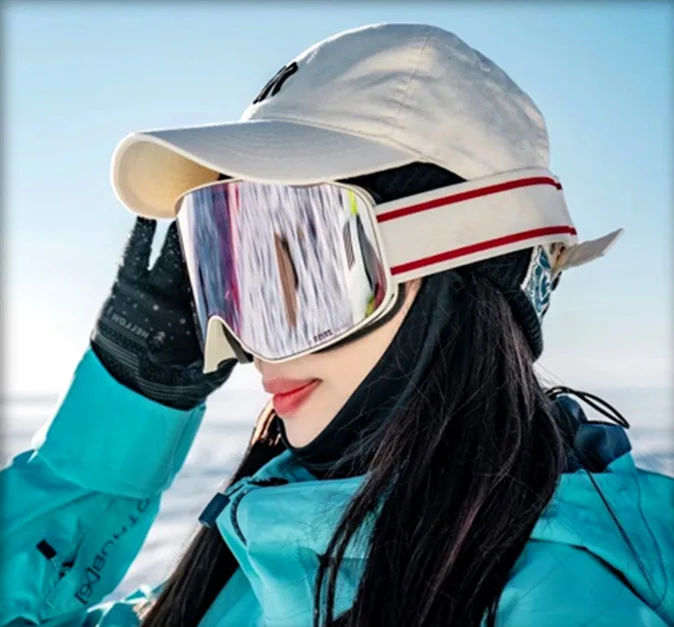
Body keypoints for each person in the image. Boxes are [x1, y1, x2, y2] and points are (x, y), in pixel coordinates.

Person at [1, 23, 672, 627]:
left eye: (310, 270)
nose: (251, 346)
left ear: (462, 263)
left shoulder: (567, 603)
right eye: (235, 275)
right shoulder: (255, 560)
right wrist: (132, 394)